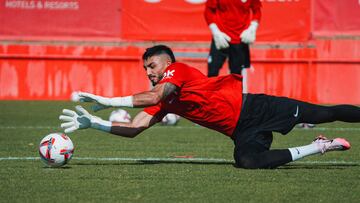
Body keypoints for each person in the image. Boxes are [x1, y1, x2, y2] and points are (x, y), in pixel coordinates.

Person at [59, 45, 359, 169]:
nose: (149, 73)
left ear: (167, 62)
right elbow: (136, 128)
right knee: (247, 162)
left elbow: (153, 96)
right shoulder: (166, 100)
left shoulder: (177, 72)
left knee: (323, 113)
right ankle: (320, 147)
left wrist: (107, 100)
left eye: (152, 66)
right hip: (240, 129)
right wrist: (95, 124)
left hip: (257, 108)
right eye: (146, 69)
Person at [204, 0, 261, 82]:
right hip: (221, 37)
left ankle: (235, 95)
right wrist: (215, 31)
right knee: (212, 72)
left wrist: (252, 28)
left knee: (236, 76)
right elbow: (208, 10)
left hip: (240, 39)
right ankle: (210, 94)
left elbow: (257, 10)